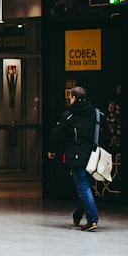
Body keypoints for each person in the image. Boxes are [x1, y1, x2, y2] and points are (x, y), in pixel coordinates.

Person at [47, 85, 100, 231]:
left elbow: (58, 134)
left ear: (74, 98)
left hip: (77, 156)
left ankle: (92, 219)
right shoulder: (95, 113)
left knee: (83, 187)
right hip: (93, 156)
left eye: (70, 97)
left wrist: (52, 150)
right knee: (86, 187)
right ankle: (77, 216)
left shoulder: (70, 115)